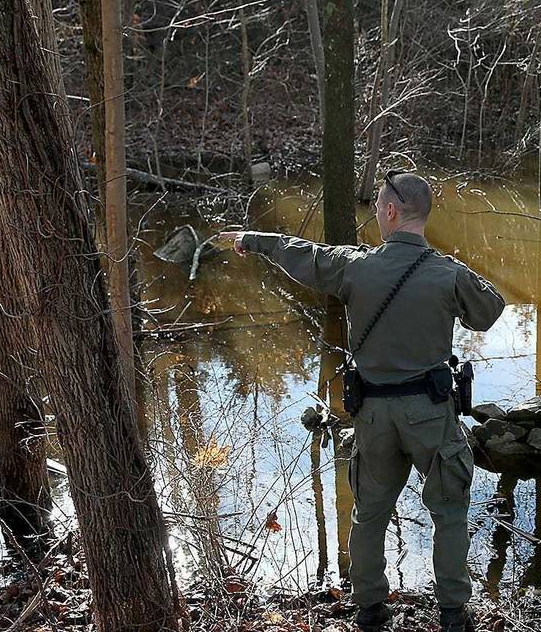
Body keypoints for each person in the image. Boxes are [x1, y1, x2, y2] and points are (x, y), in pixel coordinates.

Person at [217, 171, 506, 631]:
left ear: (392, 211)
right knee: (448, 511)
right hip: (430, 413)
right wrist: (454, 275)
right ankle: (453, 613)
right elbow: (489, 311)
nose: (375, 216)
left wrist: (255, 239)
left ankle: (370, 608)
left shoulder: (354, 267)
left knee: (370, 512)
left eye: (377, 209)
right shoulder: (447, 273)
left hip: (371, 414)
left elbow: (304, 255)